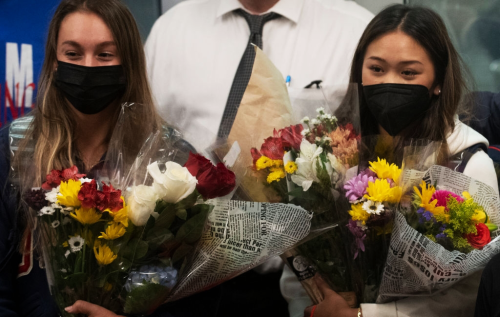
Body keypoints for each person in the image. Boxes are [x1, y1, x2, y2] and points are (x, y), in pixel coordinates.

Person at [280, 4, 499, 317]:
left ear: (438, 80)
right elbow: (297, 260)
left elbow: (470, 293)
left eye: (408, 72)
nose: (389, 82)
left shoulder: (468, 163)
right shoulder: (327, 152)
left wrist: (362, 316)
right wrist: (314, 304)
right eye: (377, 69)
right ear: (359, 70)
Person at [0, 1, 204, 316]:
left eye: (105, 54)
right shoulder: (14, 148)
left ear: (130, 64)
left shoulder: (171, 161)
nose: (88, 67)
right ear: (54, 62)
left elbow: (195, 294)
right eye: (72, 53)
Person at [145, 0, 373, 150]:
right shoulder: (169, 31)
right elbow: (144, 136)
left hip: (310, 218)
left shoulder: (354, 31)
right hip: (186, 217)